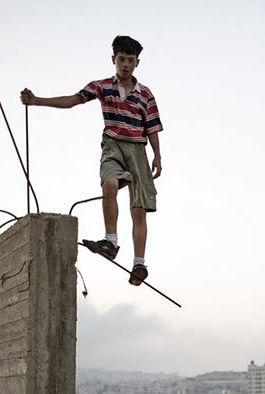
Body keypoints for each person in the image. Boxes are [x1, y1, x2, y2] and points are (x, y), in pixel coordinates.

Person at [20, 35, 163, 286]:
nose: (125, 65)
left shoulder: (146, 95)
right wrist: (37, 101)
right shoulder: (102, 86)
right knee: (109, 184)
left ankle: (139, 264)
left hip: (138, 150)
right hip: (113, 145)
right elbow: (73, 101)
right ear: (113, 60)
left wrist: (157, 156)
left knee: (139, 210)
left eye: (130, 60)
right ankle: (110, 241)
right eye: (121, 60)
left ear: (137, 63)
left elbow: (151, 127)